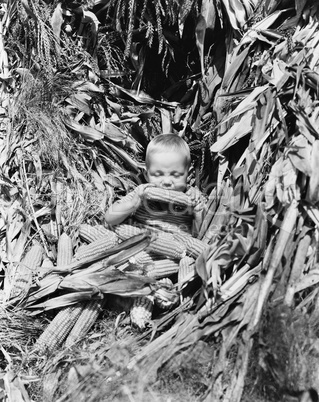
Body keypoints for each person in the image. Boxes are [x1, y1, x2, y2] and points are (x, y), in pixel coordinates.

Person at [105, 134, 206, 236]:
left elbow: (200, 234)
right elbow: (109, 219)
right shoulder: (141, 194)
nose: (166, 182)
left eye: (175, 175)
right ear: (146, 175)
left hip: (176, 248)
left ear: (188, 174)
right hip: (140, 244)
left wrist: (198, 213)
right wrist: (132, 205)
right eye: (158, 175)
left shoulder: (193, 197)